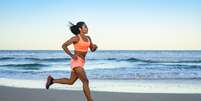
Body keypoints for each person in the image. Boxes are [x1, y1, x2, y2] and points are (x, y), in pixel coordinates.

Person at [45, 21, 97, 101]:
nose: (87, 28)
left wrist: (95, 47)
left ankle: (52, 80)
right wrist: (72, 55)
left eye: (86, 26)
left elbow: (92, 49)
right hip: (76, 62)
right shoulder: (76, 38)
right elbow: (64, 45)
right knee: (85, 81)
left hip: (82, 62)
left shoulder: (88, 38)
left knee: (71, 81)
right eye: (85, 26)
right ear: (80, 29)